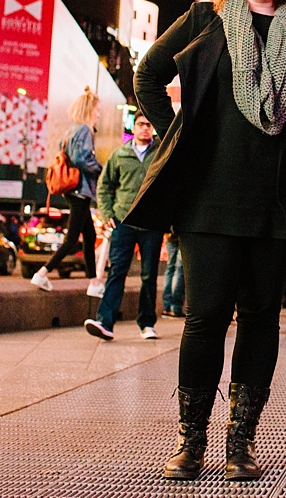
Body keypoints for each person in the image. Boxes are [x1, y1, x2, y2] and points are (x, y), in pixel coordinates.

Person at [126, 0, 286, 482]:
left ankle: (241, 442)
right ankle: (192, 443)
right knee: (205, 319)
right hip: (208, 201)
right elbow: (147, 77)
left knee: (262, 321)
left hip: (276, 203)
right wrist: (179, 136)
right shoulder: (203, 21)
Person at [87, 112, 162, 340]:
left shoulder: (160, 153)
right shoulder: (120, 155)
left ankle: (147, 323)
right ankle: (105, 322)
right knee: (117, 271)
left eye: (149, 124)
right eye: (140, 124)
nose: (145, 128)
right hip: (123, 221)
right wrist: (108, 213)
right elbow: (105, 186)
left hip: (152, 222)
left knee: (149, 275)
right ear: (134, 127)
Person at [31, 90, 103, 291]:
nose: (98, 114)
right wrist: (100, 169)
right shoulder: (84, 130)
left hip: (74, 190)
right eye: (97, 110)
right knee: (72, 239)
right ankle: (42, 273)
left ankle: (94, 282)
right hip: (80, 189)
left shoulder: (71, 131)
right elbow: (82, 159)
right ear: (89, 110)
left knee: (89, 236)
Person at [162, 234, 185, 317]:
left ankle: (166, 307)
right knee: (180, 269)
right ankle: (175, 307)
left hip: (169, 233)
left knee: (170, 268)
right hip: (183, 234)